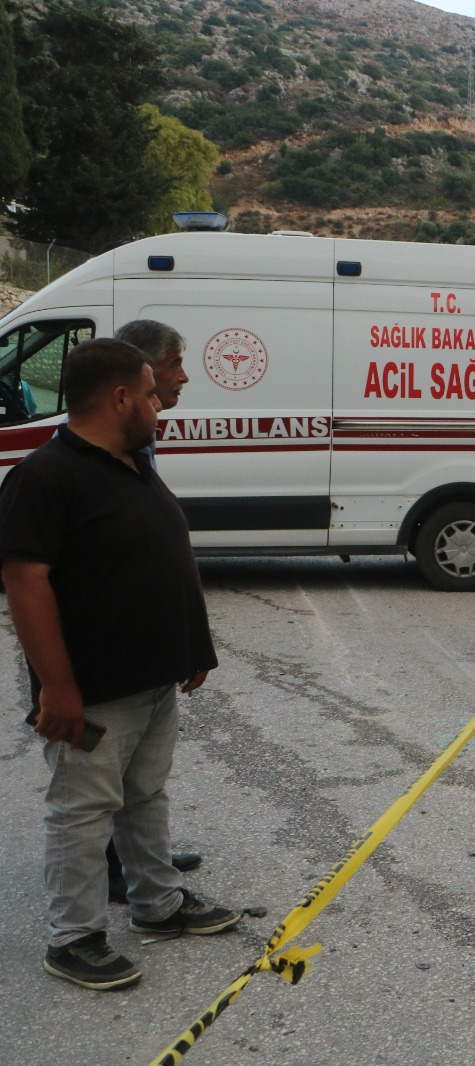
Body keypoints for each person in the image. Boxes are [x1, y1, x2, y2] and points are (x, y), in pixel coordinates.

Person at [0, 338, 238, 992]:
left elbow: (160, 553)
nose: (161, 405)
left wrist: (191, 646)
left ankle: (156, 906)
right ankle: (72, 939)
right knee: (81, 809)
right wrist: (59, 686)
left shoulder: (131, 463)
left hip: (152, 677)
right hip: (93, 688)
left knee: (144, 795)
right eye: (152, 394)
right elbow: (25, 581)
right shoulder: (45, 476)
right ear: (120, 397)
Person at [104, 321, 202, 903]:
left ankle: (142, 859)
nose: (182, 376)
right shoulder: (112, 446)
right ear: (142, 372)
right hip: (116, 646)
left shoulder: (143, 437)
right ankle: (115, 871)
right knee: (110, 771)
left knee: (140, 774)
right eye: (174, 364)